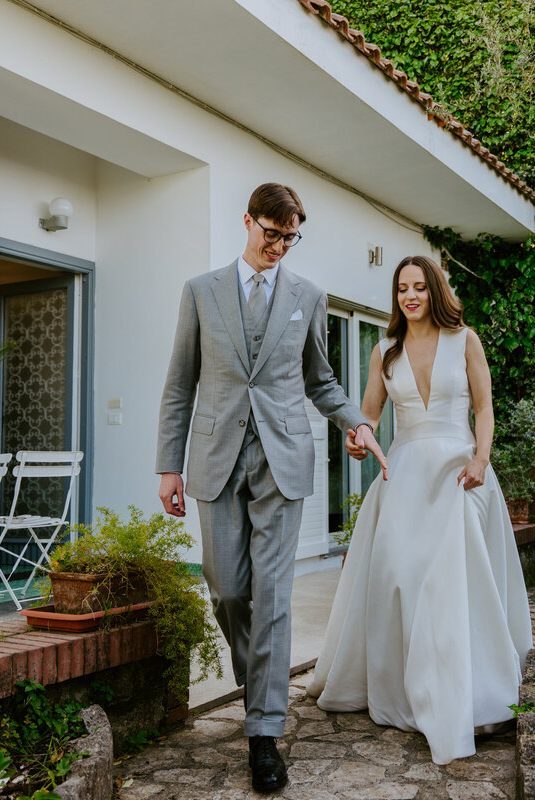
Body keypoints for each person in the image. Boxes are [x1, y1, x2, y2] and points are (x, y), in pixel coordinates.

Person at [156, 182, 386, 793]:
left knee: (275, 599)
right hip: (214, 457)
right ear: (248, 221)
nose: (280, 246)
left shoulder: (307, 296)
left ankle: (264, 732)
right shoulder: (201, 292)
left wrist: (356, 422)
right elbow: (180, 384)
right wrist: (167, 465)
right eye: (272, 233)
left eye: (291, 237)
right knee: (228, 590)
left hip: (283, 459)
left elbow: (321, 379)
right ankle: (259, 677)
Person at [307, 254, 532, 765]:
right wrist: (356, 441)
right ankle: (410, 689)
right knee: (403, 577)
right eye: (402, 289)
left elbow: (484, 406)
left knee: (452, 572)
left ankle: (467, 689)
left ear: (434, 290)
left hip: (460, 471)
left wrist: (481, 456)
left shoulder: (465, 340)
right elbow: (367, 415)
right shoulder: (384, 350)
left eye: (419, 287)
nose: (410, 296)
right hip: (404, 476)